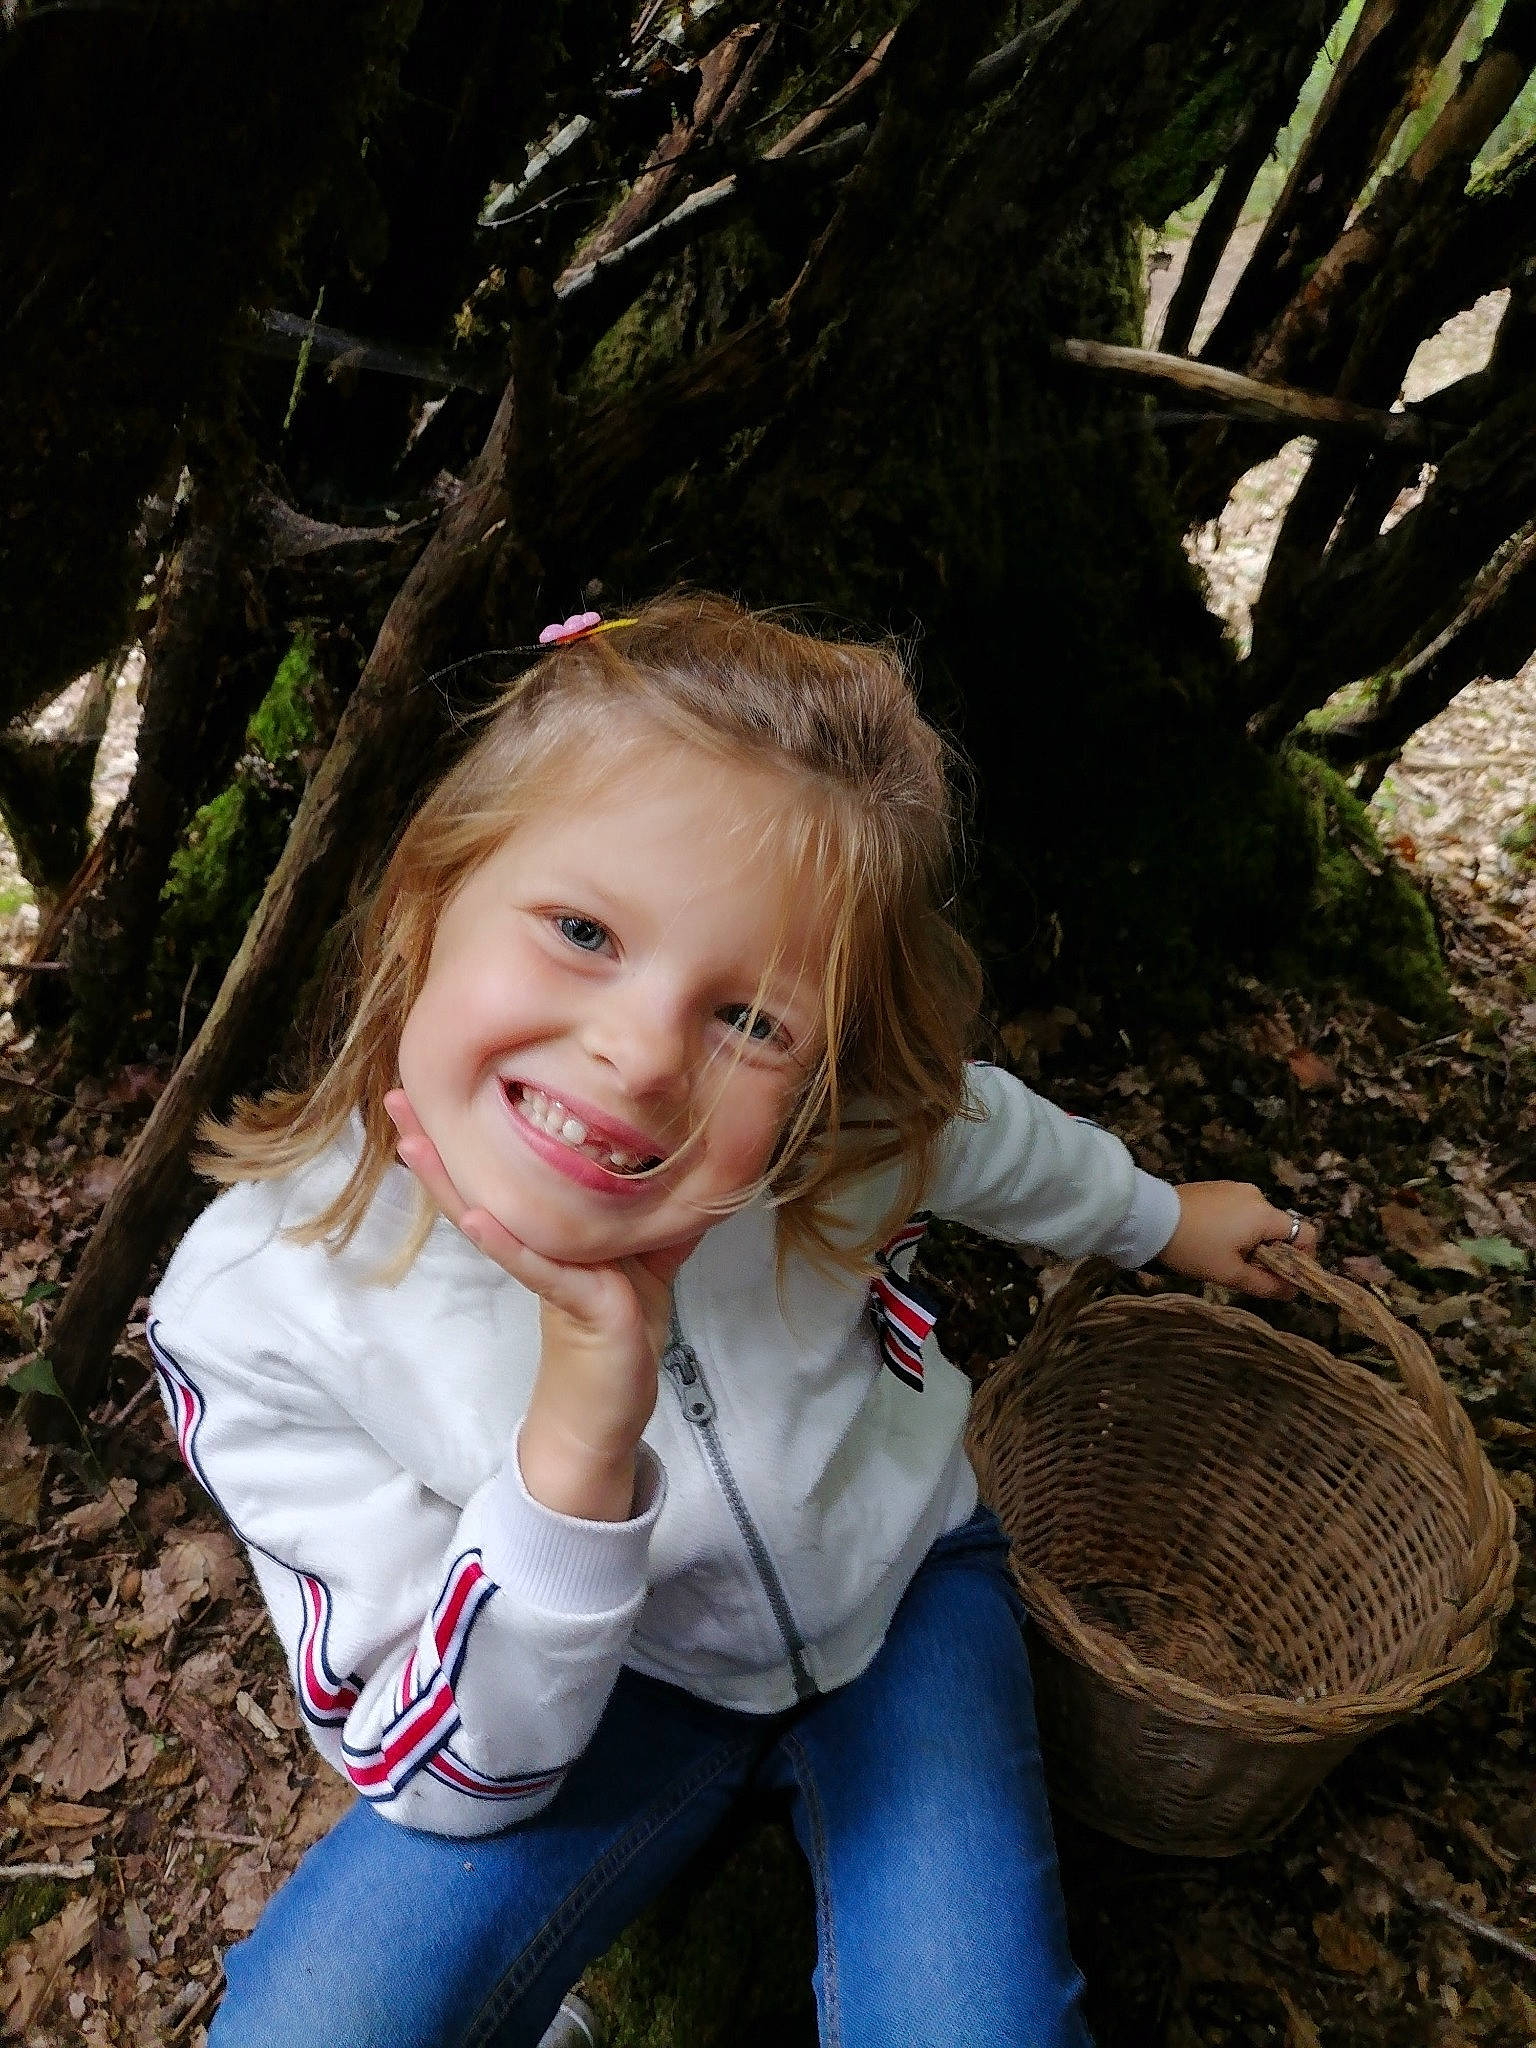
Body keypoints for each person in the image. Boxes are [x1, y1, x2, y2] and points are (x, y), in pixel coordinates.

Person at [148, 592, 1318, 2048]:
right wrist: (576, 1450)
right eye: (583, 929)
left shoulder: (830, 1126)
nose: (640, 1056)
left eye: (752, 1021)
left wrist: (1157, 1217)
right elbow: (437, 1770)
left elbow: (972, 1126)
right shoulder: (265, 1307)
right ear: (426, 897)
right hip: (608, 1683)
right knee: (306, 2030)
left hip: (901, 1603)